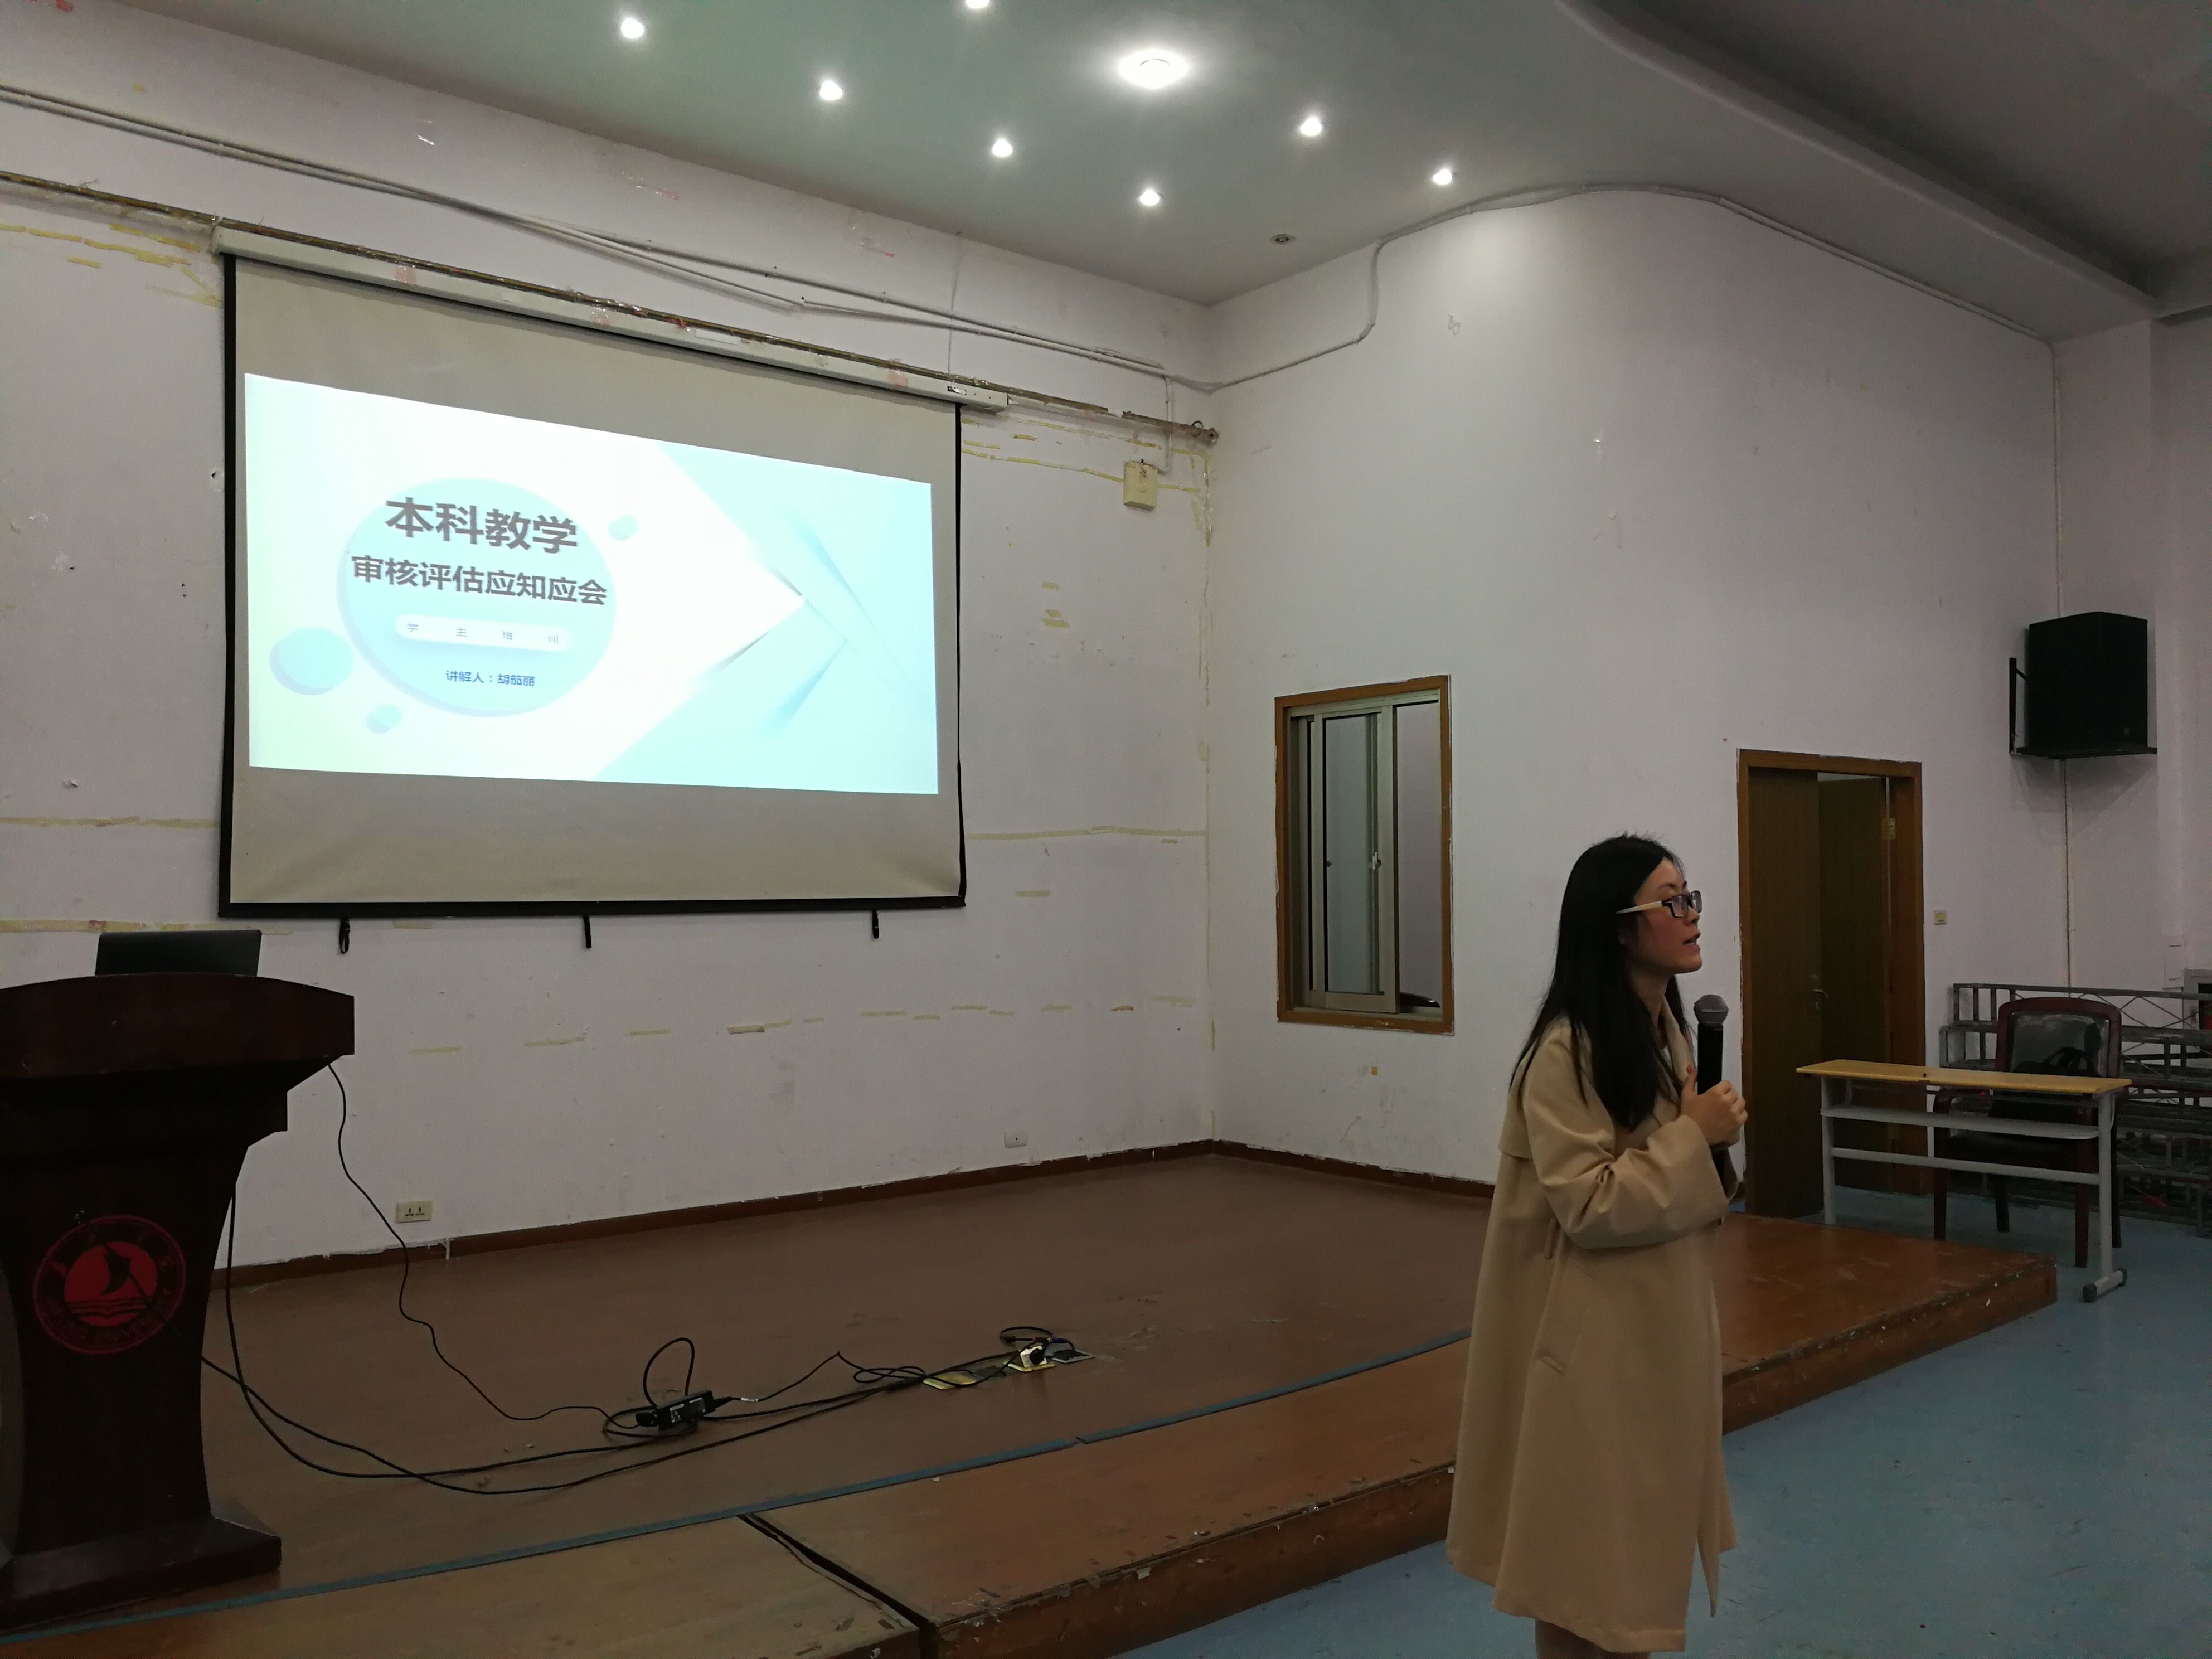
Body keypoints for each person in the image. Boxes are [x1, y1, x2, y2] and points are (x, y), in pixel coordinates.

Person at [1445, 835, 1748, 1658]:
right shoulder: (1567, 1052)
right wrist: (1693, 1137)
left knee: (1630, 1569)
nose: (1691, 916)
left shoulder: (1664, 1034)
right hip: (1591, 1351)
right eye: (1670, 902)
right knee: (1584, 1578)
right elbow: (1588, 1204)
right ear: (1617, 928)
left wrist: (1711, 1145)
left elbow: (1677, 1184)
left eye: (1691, 897)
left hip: (1652, 1340)